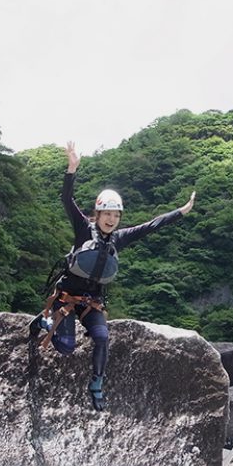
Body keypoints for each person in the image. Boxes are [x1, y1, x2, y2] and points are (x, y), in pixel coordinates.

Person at [31, 141, 195, 411]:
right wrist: (71, 169)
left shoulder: (119, 238)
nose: (111, 219)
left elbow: (151, 226)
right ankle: (44, 321)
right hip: (67, 297)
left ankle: (96, 383)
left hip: (91, 302)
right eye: (106, 213)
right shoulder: (85, 229)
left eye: (115, 215)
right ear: (98, 214)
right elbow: (66, 200)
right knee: (66, 348)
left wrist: (181, 211)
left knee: (102, 337)